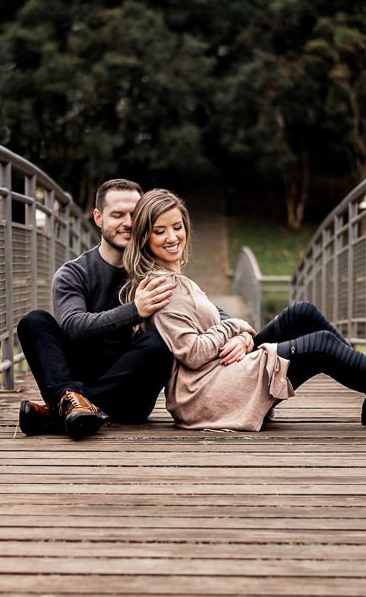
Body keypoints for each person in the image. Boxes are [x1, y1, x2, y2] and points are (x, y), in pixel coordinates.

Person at [121, 188, 366, 432]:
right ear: (145, 238)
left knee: (301, 313)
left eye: (177, 227)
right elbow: (193, 352)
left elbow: (217, 324)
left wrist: (238, 329)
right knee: (321, 346)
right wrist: (233, 330)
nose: (172, 237)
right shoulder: (160, 288)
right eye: (159, 231)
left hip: (218, 369)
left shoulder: (175, 276)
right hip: (204, 393)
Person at [16, 178, 233, 439]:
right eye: (117, 215)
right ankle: (73, 403)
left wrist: (239, 331)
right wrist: (134, 310)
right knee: (34, 321)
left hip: (130, 396)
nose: (128, 223)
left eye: (134, 215)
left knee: (159, 343)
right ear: (98, 218)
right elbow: (72, 326)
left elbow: (204, 308)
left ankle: (60, 411)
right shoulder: (74, 272)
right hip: (78, 374)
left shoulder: (155, 269)